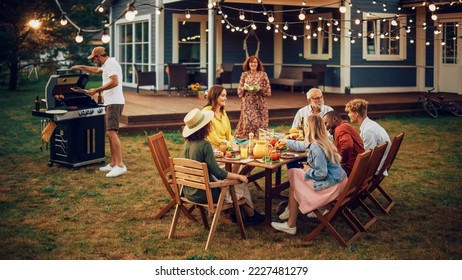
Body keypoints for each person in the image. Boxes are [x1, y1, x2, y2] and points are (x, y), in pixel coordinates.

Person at [182, 108, 264, 225]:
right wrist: (239, 177)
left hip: (189, 191)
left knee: (234, 183)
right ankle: (250, 215)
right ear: (205, 127)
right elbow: (218, 172)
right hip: (206, 194)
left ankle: (243, 214)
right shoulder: (204, 145)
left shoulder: (186, 144)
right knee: (239, 184)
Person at [271, 115, 348, 235]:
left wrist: (308, 169)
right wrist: (287, 142)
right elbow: (306, 145)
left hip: (331, 187)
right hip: (340, 182)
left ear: (310, 128)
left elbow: (321, 174)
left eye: (306, 126)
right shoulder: (324, 141)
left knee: (294, 183)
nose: (305, 128)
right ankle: (291, 209)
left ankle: (291, 223)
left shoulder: (316, 148)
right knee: (295, 174)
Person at [71, 46, 127, 178]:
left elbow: (114, 82)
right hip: (111, 102)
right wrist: (83, 67)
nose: (94, 61)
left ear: (98, 57)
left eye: (94, 58)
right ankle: (113, 163)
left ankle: (120, 165)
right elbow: (97, 70)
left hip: (114, 102)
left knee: (111, 132)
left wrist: (96, 90)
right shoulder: (108, 63)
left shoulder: (110, 64)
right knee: (110, 133)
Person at [345, 98, 391, 174]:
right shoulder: (370, 125)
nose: (348, 115)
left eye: (349, 112)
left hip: (374, 170)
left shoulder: (368, 131)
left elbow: (367, 157)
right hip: (379, 164)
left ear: (356, 114)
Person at [234, 55, 271, 139]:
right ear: (248, 64)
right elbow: (239, 89)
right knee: (248, 121)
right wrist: (244, 88)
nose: (253, 64)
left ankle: (259, 138)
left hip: (259, 102)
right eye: (251, 62)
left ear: (258, 64)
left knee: (259, 122)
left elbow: (268, 90)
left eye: (255, 62)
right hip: (247, 102)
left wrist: (260, 88)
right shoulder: (244, 75)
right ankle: (248, 139)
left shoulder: (263, 74)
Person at [323, 110, 365, 176]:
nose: (325, 127)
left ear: (334, 119)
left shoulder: (340, 129)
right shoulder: (345, 126)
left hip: (351, 171)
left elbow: (347, 146)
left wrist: (342, 163)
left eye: (326, 123)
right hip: (359, 169)